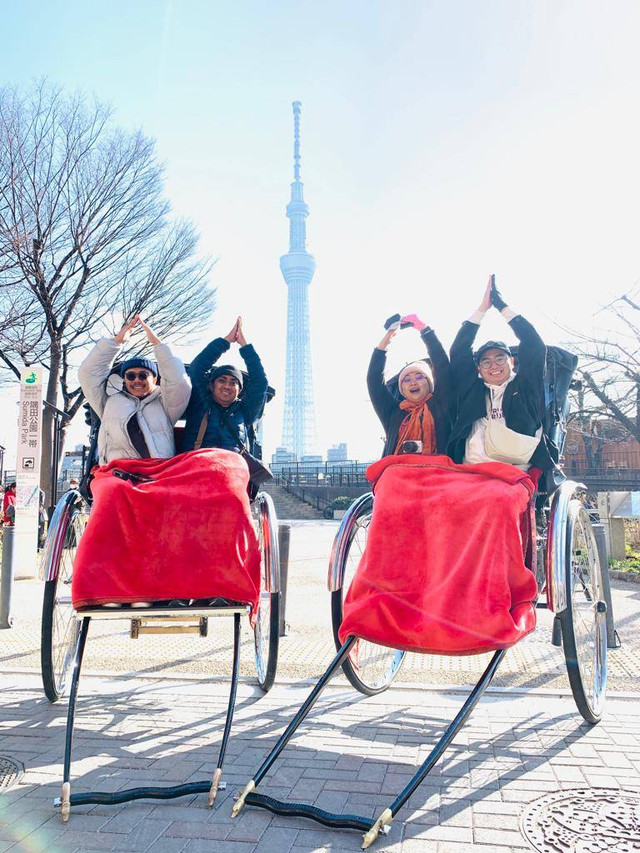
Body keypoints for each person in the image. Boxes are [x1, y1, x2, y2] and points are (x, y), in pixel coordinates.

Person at [448, 277, 556, 471]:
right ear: (478, 369)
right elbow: (458, 351)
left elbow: (534, 345)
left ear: (512, 362)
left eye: (500, 359)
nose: (494, 366)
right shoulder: (472, 391)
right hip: (469, 470)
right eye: (486, 362)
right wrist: (481, 309)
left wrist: (502, 307)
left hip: (512, 471)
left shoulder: (525, 387)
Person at [78, 315, 191, 465]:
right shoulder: (108, 401)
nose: (137, 380)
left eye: (143, 375)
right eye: (130, 376)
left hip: (156, 473)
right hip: (118, 473)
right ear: (124, 380)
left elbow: (179, 382)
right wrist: (116, 342)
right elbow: (88, 374)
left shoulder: (165, 404)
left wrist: (158, 345)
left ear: (155, 379)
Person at [367, 314, 453, 458]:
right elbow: (374, 380)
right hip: (400, 473)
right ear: (401, 388)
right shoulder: (394, 413)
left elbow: (442, 364)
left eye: (419, 377)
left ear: (430, 383)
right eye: (406, 380)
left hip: (438, 473)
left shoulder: (440, 404)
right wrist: (388, 337)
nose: (413, 382)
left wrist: (423, 329)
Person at [180, 317, 268, 454]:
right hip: (197, 469)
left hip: (231, 471)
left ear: (239, 390)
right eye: (222, 380)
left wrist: (245, 346)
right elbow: (197, 369)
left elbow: (260, 383)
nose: (227, 386)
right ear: (211, 385)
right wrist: (226, 341)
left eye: (233, 382)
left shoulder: (245, 411)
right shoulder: (199, 404)